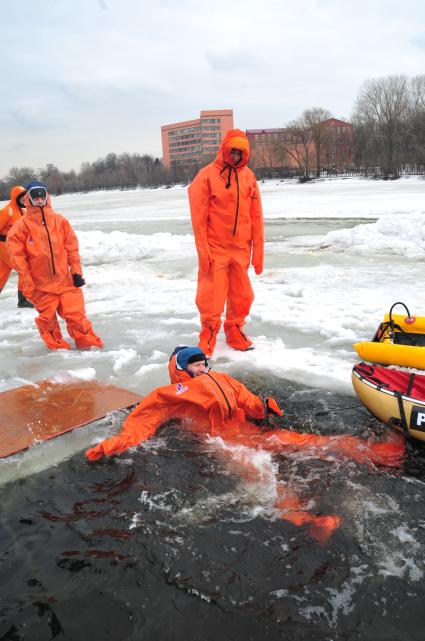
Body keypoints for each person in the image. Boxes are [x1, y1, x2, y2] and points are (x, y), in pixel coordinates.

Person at [85, 346, 405, 542]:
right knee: (259, 475)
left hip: (249, 435)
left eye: (203, 363)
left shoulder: (225, 380)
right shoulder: (170, 396)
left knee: (303, 441)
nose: (202, 368)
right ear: (180, 370)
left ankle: (377, 452)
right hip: (222, 444)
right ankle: (307, 521)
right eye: (194, 365)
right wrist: (117, 443)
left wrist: (265, 407)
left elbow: (249, 402)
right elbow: (143, 421)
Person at [188, 129, 264, 356]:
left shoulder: (249, 177)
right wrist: (204, 251)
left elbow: (256, 216)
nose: (237, 156)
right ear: (225, 150)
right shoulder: (207, 175)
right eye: (234, 151)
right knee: (211, 296)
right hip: (215, 249)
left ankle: (235, 330)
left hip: (241, 248)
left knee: (242, 295)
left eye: (241, 152)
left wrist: (258, 251)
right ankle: (209, 334)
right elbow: (198, 217)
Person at [7, 182, 103, 350]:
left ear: (46, 197)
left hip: (66, 282)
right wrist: (28, 283)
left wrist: (76, 273)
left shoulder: (60, 222)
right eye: (34, 197)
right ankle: (59, 351)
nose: (38, 200)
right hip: (41, 285)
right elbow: (18, 259)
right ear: (28, 199)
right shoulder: (20, 228)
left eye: (41, 196)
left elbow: (72, 248)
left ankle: (89, 348)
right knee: (47, 320)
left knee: (77, 316)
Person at [0, 185, 33, 308]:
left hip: (14, 246)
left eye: (26, 198)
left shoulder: (23, 212)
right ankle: (23, 299)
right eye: (22, 198)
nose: (24, 201)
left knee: (2, 272)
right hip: (5, 245)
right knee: (23, 268)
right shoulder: (7, 211)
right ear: (15, 198)